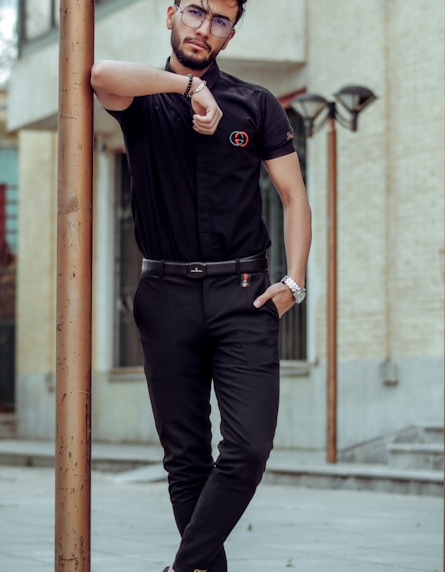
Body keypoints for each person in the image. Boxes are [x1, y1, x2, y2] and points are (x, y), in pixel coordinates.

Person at [91, 1, 311, 570]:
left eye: (220, 21)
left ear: (230, 34)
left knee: (247, 449)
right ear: (170, 14)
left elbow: (294, 196)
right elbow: (98, 76)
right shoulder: (142, 97)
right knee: (185, 460)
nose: (204, 28)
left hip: (244, 293)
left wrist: (295, 281)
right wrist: (187, 89)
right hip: (164, 297)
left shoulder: (256, 104)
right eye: (195, 11)